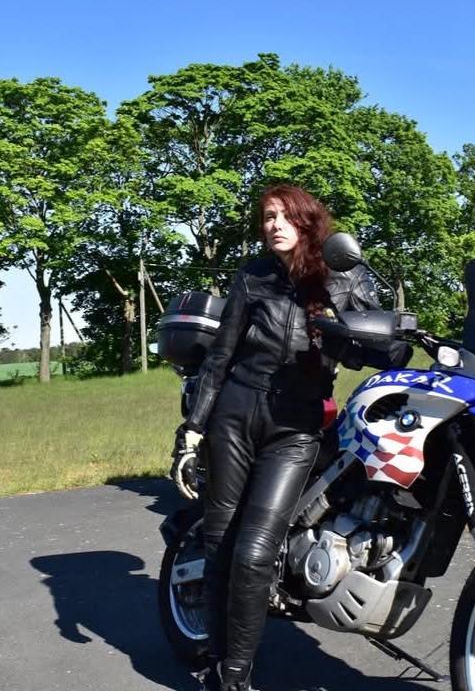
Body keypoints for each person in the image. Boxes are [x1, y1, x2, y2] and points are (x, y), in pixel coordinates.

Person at [170, 184, 381, 691]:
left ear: (309, 222)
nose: (274, 225)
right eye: (267, 217)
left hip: (294, 426)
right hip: (235, 416)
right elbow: (219, 358)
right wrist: (193, 430)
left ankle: (236, 670)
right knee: (220, 544)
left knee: (255, 550)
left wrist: (345, 327)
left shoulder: (344, 277)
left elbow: (382, 350)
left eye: (286, 216)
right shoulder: (253, 276)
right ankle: (224, 673)